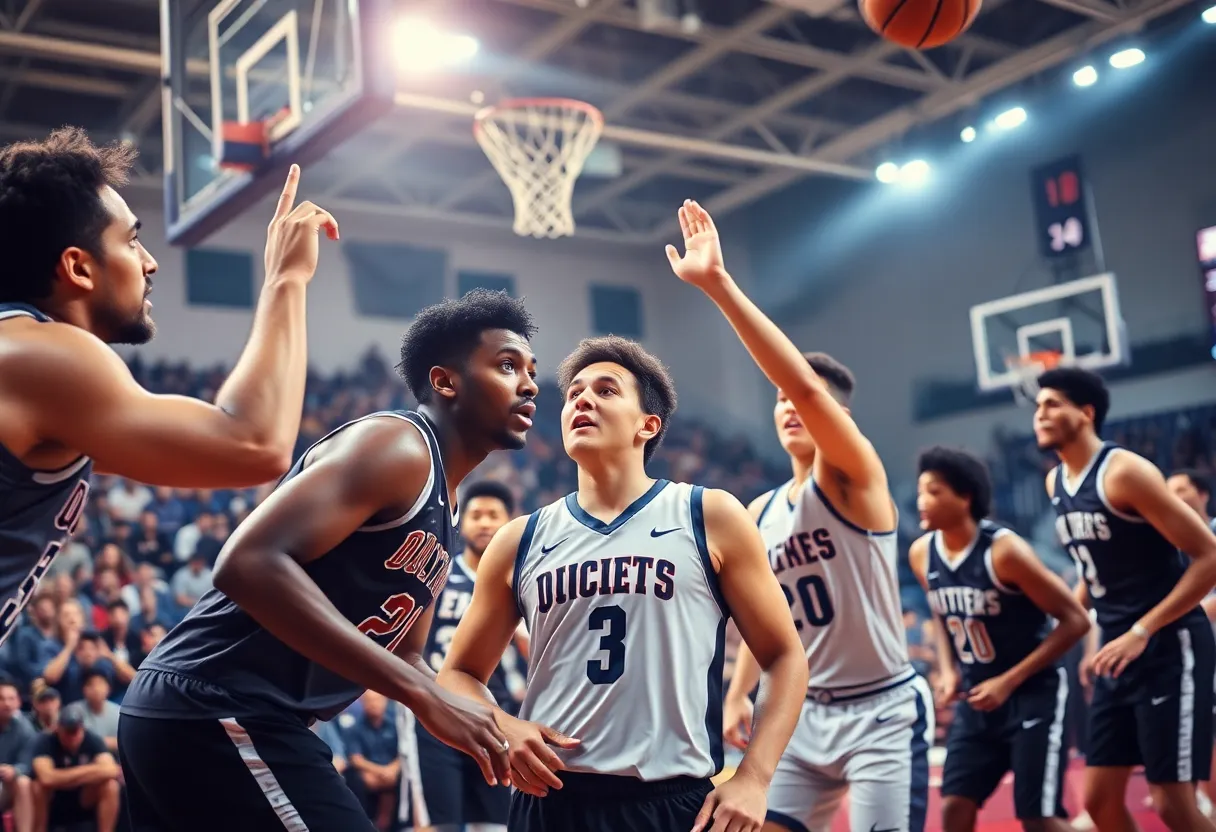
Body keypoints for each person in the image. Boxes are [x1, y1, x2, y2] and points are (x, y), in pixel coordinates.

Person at [118, 290, 552, 832]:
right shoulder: (397, 446)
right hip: (217, 702)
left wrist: (493, 721)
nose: (530, 384)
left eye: (532, 370)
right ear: (445, 382)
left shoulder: (446, 502)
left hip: (228, 713)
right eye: (508, 365)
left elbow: (409, 655)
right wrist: (422, 697)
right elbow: (246, 562)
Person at [438, 335, 809, 832]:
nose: (582, 399)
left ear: (647, 425)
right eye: (574, 393)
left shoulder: (707, 514)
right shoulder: (518, 539)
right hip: (549, 801)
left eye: (606, 390)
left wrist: (755, 777)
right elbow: (457, 674)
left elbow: (785, 656)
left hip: (670, 803)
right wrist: (502, 723)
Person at [0, 128, 339, 647]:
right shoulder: (42, 357)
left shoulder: (28, 361)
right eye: (132, 240)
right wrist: (285, 280)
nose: (149, 261)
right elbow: (253, 444)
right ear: (77, 267)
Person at [671, 199, 932, 832]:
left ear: (836, 419)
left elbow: (812, 391)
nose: (790, 406)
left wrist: (720, 286)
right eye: (779, 400)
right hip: (804, 713)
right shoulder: (759, 511)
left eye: (802, 401)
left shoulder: (853, 478)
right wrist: (738, 693)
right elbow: (767, 620)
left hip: (881, 709)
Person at [1035, 366, 1216, 831]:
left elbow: (1208, 557)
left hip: (1167, 645)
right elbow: (1093, 569)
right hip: (1116, 648)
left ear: (1086, 412)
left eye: (1052, 404)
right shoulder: (1056, 483)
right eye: (1037, 406)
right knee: (1099, 801)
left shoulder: (1126, 472)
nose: (1040, 414)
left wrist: (1142, 630)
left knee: (1172, 802)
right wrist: (1079, 629)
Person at [908, 446, 1090, 832]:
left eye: (934, 492)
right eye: (921, 491)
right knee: (955, 807)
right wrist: (949, 669)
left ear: (965, 496)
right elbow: (942, 612)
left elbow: (1075, 621)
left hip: (1033, 693)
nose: (921, 501)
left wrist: (1008, 681)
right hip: (978, 697)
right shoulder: (922, 554)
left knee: (1037, 817)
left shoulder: (1006, 552)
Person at [401, 479, 527, 832]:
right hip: (435, 711)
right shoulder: (436, 572)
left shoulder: (522, 578)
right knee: (437, 824)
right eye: (476, 515)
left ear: (510, 521)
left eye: (493, 515)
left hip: (497, 715)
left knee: (495, 825)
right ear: (461, 522)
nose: (485, 523)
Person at [29, 703, 120, 832]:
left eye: (75, 731)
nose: (72, 737)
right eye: (68, 731)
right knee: (37, 787)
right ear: (58, 728)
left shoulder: (92, 739)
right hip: (53, 798)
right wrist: (92, 770)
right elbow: (47, 778)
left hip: (83, 797)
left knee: (111, 786)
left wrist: (63, 776)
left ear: (82, 729)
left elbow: (111, 770)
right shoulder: (45, 740)